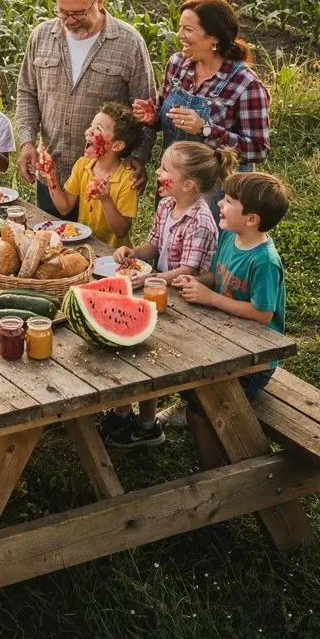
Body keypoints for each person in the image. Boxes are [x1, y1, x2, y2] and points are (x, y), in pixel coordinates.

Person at [102, 140, 239, 449]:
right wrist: (131, 252)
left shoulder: (201, 221)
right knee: (133, 346)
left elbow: (187, 271)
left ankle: (146, 425)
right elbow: (153, 245)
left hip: (185, 301)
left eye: (164, 169)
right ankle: (126, 415)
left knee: (147, 356)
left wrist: (147, 279)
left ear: (187, 184)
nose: (157, 172)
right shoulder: (166, 205)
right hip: (159, 292)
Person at [16, 0, 158, 215]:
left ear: (99, 1)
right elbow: (27, 92)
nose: (70, 20)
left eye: (79, 14)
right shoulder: (41, 36)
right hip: (54, 175)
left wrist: (138, 156)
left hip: (105, 181)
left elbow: (144, 109)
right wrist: (28, 142)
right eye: (63, 12)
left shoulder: (129, 43)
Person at [174, 170, 290, 469]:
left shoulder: (264, 260)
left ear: (251, 219)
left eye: (227, 202)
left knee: (202, 410)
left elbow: (263, 314)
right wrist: (195, 281)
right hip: (228, 340)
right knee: (188, 383)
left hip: (255, 360)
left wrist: (210, 298)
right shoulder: (230, 236)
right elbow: (217, 275)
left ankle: (214, 471)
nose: (220, 206)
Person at [132, 0, 270, 216]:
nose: (180, 36)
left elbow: (258, 149)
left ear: (213, 38)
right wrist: (153, 116)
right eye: (180, 27)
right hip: (174, 184)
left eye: (188, 29)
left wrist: (205, 130)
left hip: (217, 193)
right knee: (169, 245)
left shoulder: (246, 84)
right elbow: (166, 119)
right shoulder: (177, 65)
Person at [39, 102, 140, 245]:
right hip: (86, 245)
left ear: (117, 145)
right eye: (91, 125)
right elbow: (64, 207)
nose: (88, 131)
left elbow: (121, 230)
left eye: (98, 128)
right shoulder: (83, 164)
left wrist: (106, 200)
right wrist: (51, 176)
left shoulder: (128, 178)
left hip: (113, 255)